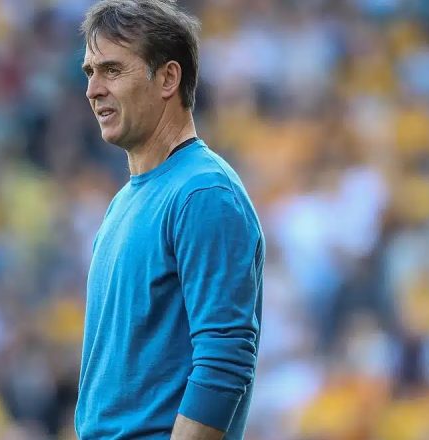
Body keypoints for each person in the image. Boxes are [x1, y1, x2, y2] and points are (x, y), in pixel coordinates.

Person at [74, 1, 264, 439]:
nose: (93, 89)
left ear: (167, 78)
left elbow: (224, 359)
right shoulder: (126, 201)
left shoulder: (204, 193)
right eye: (89, 72)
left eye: (112, 70)